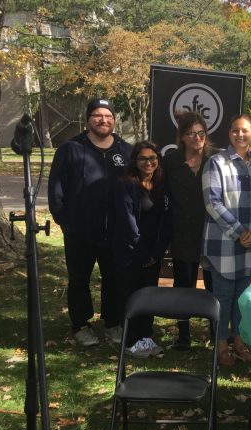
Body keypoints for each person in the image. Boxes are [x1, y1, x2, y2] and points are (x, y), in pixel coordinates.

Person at [49, 98, 133, 347]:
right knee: (79, 280)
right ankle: (80, 325)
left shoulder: (126, 151)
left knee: (114, 279)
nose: (103, 120)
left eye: (108, 116)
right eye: (97, 115)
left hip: (115, 232)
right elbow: (56, 190)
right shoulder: (70, 149)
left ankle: (112, 323)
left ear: (114, 120)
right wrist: (65, 222)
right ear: (88, 120)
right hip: (80, 232)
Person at [202, 114, 251, 366]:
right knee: (223, 296)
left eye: (245, 130)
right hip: (225, 242)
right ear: (229, 134)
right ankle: (221, 342)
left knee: (242, 297)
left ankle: (239, 339)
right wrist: (240, 232)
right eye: (235, 130)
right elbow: (212, 202)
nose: (240, 135)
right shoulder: (216, 162)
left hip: (250, 244)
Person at [113, 141, 170, 357]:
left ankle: (146, 337)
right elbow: (127, 222)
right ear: (135, 161)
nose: (149, 162)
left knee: (148, 296)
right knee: (129, 296)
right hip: (130, 252)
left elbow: (166, 222)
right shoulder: (125, 184)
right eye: (143, 158)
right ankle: (130, 341)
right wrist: (140, 252)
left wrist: (155, 253)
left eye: (153, 158)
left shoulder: (162, 185)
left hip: (152, 254)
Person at [163, 111, 214, 350]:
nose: (197, 138)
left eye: (201, 133)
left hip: (212, 232)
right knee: (184, 285)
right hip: (182, 231)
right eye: (191, 133)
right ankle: (183, 335)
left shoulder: (215, 160)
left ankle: (216, 333)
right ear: (182, 137)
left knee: (215, 285)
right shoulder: (171, 161)